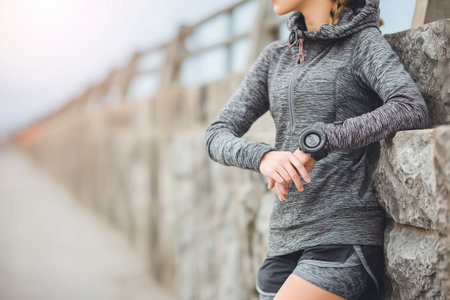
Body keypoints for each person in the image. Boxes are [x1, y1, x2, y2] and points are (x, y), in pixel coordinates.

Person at [203, 0, 429, 299]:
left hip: (341, 239)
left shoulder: (361, 43)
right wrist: (263, 156)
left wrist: (326, 138)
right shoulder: (275, 57)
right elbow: (216, 134)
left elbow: (410, 106)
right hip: (283, 243)